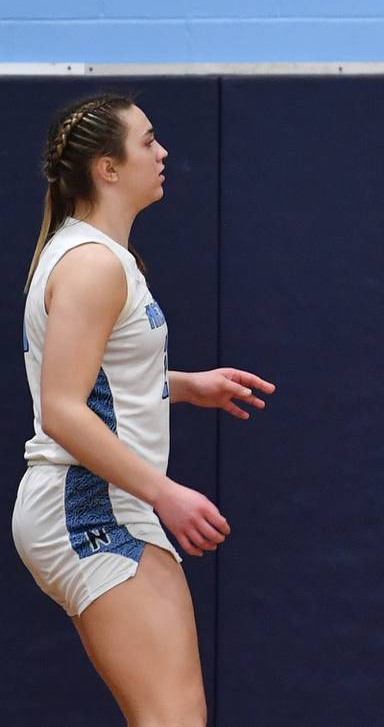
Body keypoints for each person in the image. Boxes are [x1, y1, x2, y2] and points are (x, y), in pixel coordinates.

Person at [12, 94, 275, 725]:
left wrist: (182, 386)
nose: (163, 154)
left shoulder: (95, 253)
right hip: (91, 504)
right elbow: (62, 410)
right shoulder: (93, 264)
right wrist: (165, 493)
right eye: (148, 142)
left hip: (99, 499)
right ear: (107, 168)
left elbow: (98, 382)